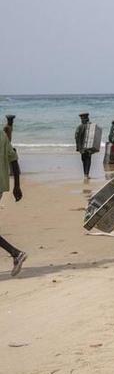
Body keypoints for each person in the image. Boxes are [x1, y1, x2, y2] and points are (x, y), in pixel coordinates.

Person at [0, 115, 26, 277]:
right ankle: (16, 253)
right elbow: (14, 159)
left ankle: (16, 253)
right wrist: (17, 185)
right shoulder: (2, 136)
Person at [74, 112, 95, 180]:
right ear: (87, 118)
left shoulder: (79, 127)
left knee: (84, 160)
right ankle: (87, 174)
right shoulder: (90, 126)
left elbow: (76, 137)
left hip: (82, 148)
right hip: (89, 147)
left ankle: (85, 175)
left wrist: (78, 147)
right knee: (88, 160)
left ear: (82, 119)